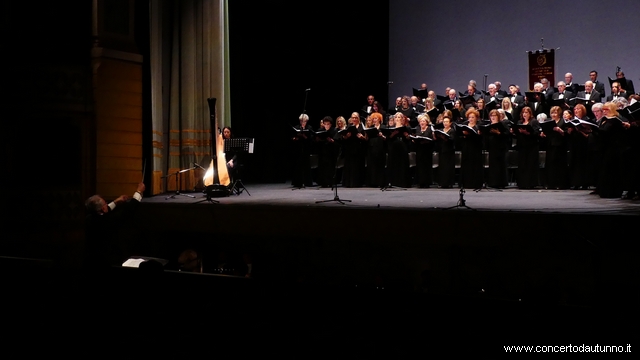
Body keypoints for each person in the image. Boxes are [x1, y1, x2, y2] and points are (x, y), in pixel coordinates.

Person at [84, 182, 145, 270]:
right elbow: (127, 211)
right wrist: (138, 192)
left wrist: (116, 201)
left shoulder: (89, 218)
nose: (107, 204)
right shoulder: (107, 221)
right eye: (105, 203)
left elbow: (103, 210)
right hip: (107, 261)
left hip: (91, 261)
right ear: (103, 209)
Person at [597, 102, 625, 198]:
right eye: (603, 109)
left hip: (613, 149)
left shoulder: (615, 121)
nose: (604, 111)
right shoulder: (604, 120)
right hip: (604, 148)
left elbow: (607, 133)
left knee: (611, 171)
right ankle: (603, 190)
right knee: (604, 170)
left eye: (607, 109)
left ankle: (612, 192)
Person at [566, 104, 594, 190]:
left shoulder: (587, 120)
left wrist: (580, 130)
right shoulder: (573, 120)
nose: (576, 111)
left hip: (583, 145)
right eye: (575, 109)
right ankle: (575, 183)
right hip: (574, 145)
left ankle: (584, 183)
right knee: (574, 163)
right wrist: (569, 131)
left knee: (583, 164)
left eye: (578, 109)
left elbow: (589, 132)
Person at [513, 106, 540, 189]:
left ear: (530, 114)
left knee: (530, 165)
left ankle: (530, 183)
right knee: (522, 164)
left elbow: (536, 133)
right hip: (522, 146)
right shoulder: (519, 122)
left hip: (531, 147)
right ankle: (522, 183)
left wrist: (527, 133)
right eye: (523, 112)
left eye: (526, 112)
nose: (524, 114)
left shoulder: (534, 121)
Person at [482, 109, 509, 188]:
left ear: (498, 116)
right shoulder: (488, 125)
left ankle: (501, 183)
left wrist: (499, 133)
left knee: (500, 165)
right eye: (491, 116)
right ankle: (493, 182)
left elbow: (507, 135)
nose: (493, 117)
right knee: (493, 166)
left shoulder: (502, 124)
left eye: (495, 115)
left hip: (500, 148)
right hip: (492, 148)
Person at [542, 106, 568, 189]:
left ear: (559, 114)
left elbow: (566, 134)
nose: (553, 114)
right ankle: (550, 183)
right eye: (552, 113)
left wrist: (560, 130)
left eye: (555, 113)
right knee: (550, 164)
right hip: (550, 145)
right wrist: (543, 134)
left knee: (559, 165)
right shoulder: (549, 121)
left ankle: (560, 184)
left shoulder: (563, 122)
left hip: (560, 145)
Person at [340, 112, 366, 187]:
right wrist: (346, 136)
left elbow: (366, 138)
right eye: (353, 118)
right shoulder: (349, 126)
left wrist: (362, 137)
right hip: (349, 148)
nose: (354, 119)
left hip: (358, 149)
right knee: (349, 166)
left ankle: (357, 183)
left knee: (357, 166)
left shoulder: (361, 127)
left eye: (356, 118)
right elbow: (344, 138)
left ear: (358, 118)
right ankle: (348, 183)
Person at [386, 112, 412, 188]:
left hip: (402, 147)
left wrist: (407, 136)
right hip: (393, 148)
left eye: (399, 117)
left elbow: (409, 139)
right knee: (393, 164)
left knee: (402, 164)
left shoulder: (406, 128)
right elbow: (388, 139)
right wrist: (393, 134)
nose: (397, 119)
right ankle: (393, 182)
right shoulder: (391, 128)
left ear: (402, 119)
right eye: (396, 117)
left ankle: (403, 182)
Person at [291, 114, 314, 188]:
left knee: (306, 165)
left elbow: (311, 139)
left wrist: (304, 136)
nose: (302, 122)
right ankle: (297, 182)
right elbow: (292, 137)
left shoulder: (309, 128)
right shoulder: (296, 127)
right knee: (298, 165)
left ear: (307, 121)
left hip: (306, 149)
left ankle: (307, 182)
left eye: (304, 121)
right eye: (301, 121)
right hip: (298, 149)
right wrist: (295, 138)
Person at [364, 112, 387, 188]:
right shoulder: (371, 127)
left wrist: (382, 135)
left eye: (376, 118)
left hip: (380, 148)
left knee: (380, 165)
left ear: (379, 119)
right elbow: (367, 139)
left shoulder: (383, 127)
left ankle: (380, 182)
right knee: (372, 165)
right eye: (373, 119)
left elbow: (386, 139)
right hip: (371, 147)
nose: (374, 120)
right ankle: (372, 182)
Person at [412, 114, 435, 188]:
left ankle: (427, 182)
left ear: (426, 122)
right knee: (420, 166)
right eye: (421, 121)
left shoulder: (429, 129)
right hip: (419, 150)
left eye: (424, 121)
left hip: (427, 150)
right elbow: (416, 137)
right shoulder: (418, 129)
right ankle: (420, 182)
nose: (422, 122)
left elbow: (432, 139)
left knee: (426, 166)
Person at [315, 116, 338, 188]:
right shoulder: (320, 130)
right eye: (325, 124)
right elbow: (316, 141)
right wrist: (317, 139)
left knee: (330, 167)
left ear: (331, 124)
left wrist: (332, 140)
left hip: (331, 152)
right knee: (322, 167)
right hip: (323, 151)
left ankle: (331, 182)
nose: (326, 125)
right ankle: (323, 182)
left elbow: (336, 141)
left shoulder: (334, 130)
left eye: (328, 124)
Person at [435, 115, 456, 188]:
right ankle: (442, 183)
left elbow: (452, 140)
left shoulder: (452, 130)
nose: (445, 123)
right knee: (442, 167)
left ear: (450, 123)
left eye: (447, 122)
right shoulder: (441, 130)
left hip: (449, 151)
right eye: (444, 122)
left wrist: (446, 138)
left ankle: (449, 183)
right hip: (442, 150)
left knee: (449, 167)